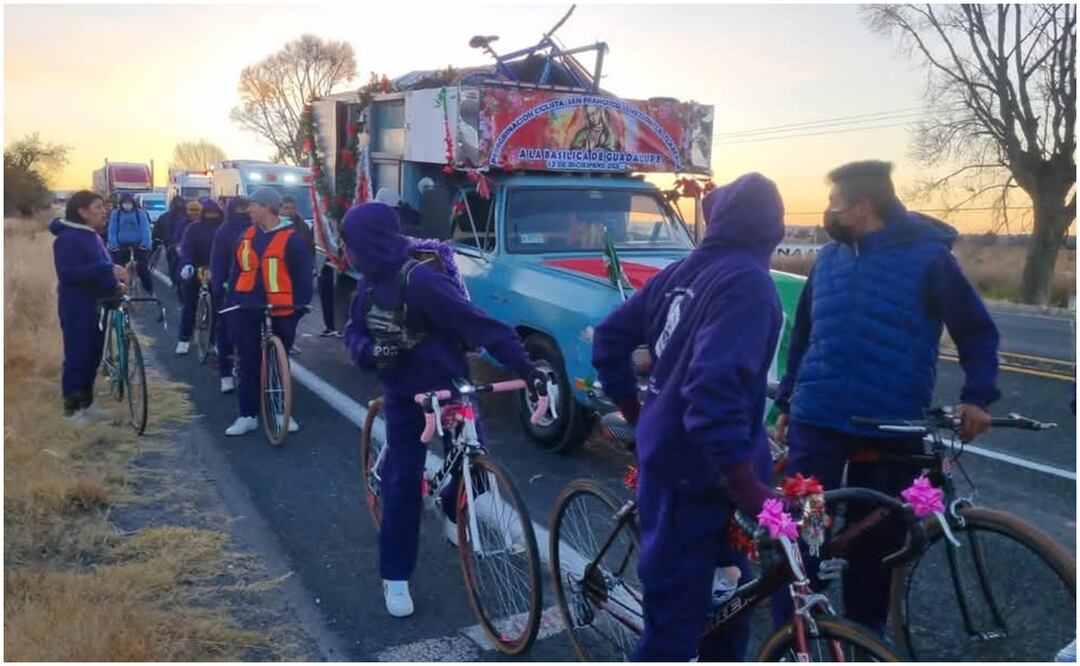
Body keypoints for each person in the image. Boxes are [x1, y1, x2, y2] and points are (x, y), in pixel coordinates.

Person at [773, 160, 1000, 636]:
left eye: (833, 204)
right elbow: (804, 336)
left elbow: (976, 331)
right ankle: (793, 633)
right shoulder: (830, 259)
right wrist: (790, 401)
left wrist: (978, 396)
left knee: (875, 546)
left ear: (862, 207)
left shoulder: (929, 258)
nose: (826, 214)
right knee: (804, 535)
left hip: (890, 425)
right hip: (818, 421)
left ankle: (863, 638)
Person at [591, 173, 786, 661]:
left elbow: (608, 339)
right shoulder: (750, 284)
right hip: (703, 475)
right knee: (674, 632)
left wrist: (637, 407)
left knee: (727, 606)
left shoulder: (678, 271)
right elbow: (712, 389)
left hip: (680, 461)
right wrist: (745, 483)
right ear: (774, 231)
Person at [340, 201, 546, 619]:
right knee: (402, 487)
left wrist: (529, 369)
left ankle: (454, 516)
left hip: (451, 390)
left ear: (367, 242)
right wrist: (370, 350)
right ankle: (395, 576)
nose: (347, 253)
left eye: (350, 244)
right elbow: (353, 333)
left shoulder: (423, 284)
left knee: (473, 468)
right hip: (403, 398)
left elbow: (482, 326)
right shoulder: (366, 284)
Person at [224, 187, 312, 436]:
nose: (249, 209)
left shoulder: (292, 238)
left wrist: (299, 309)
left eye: (253, 205)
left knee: (278, 363)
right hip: (246, 307)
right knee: (248, 361)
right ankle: (247, 414)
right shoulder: (246, 235)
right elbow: (236, 272)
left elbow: (303, 278)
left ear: (266, 207)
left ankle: (280, 411)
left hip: (282, 309)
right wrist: (232, 303)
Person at [49, 190, 128, 416]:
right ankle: (72, 410)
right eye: (98, 207)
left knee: (93, 356)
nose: (104, 211)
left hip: (98, 305)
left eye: (103, 206)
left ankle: (87, 403)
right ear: (82, 212)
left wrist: (115, 284)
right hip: (77, 307)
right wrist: (107, 269)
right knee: (78, 356)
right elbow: (69, 274)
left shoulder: (91, 236)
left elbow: (101, 269)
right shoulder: (68, 239)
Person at [210, 196, 253, 393]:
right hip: (230, 285)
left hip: (253, 287)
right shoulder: (224, 231)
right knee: (225, 330)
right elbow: (218, 260)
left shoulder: (256, 228)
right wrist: (218, 285)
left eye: (246, 207)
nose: (243, 211)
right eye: (240, 208)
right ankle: (225, 373)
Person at [175, 198, 224, 355]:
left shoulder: (223, 229)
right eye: (209, 213)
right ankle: (184, 339)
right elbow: (187, 248)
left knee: (219, 307)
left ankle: (216, 341)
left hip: (217, 270)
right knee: (190, 304)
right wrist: (187, 265)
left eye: (214, 213)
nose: (212, 216)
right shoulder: (194, 229)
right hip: (197, 268)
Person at [106, 192, 155, 296]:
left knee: (142, 268)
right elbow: (112, 230)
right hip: (120, 247)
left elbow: (145, 230)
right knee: (119, 269)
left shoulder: (140, 213)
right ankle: (118, 293)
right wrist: (114, 246)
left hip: (139, 246)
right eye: (125, 202)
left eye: (129, 202)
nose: (127, 205)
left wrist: (144, 245)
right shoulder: (116, 214)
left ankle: (150, 292)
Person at [159, 195, 186, 281]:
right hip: (172, 245)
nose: (179, 204)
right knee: (173, 264)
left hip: (181, 244)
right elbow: (160, 230)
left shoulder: (186, 216)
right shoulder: (167, 217)